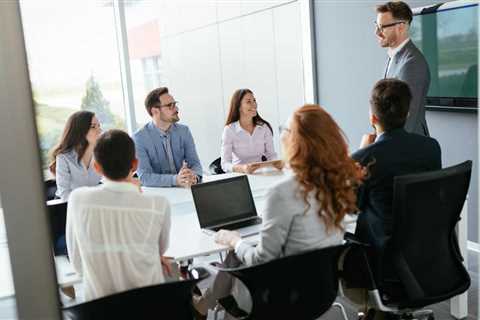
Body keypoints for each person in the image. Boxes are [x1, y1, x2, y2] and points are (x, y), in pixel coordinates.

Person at [193, 104, 363, 318]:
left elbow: (260, 259)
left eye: (285, 130)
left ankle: (203, 305)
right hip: (322, 294)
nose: (281, 135)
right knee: (239, 252)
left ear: (298, 142)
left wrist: (235, 240)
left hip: (281, 297)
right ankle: (205, 303)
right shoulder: (339, 184)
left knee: (233, 254)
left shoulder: (283, 192)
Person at [345, 79, 441, 319]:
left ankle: (375, 310)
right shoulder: (431, 147)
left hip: (381, 261)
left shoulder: (365, 156)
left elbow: (351, 207)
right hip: (426, 256)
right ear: (408, 113)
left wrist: (359, 154)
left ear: (373, 118)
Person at [66, 129, 172, 301]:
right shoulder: (158, 204)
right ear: (135, 164)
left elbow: (78, 265)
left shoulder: (78, 199)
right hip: (149, 309)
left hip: (99, 311)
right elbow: (160, 249)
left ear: (97, 167)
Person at [375, 1, 430, 136]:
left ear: (401, 27)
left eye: (382, 27)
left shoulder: (412, 63)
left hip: (409, 149)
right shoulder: (393, 56)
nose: (377, 32)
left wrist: (384, 149)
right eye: (376, 25)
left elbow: (407, 118)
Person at [133, 87, 202, 187]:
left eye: (175, 104)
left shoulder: (184, 131)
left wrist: (194, 176)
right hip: (158, 194)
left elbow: (195, 164)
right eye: (170, 106)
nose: (176, 109)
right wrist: (175, 180)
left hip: (184, 189)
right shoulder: (139, 138)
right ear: (155, 111)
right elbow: (144, 177)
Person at [221, 89, 279, 173]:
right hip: (239, 176)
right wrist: (243, 168)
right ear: (239, 107)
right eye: (248, 102)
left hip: (260, 173)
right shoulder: (229, 130)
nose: (254, 104)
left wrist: (275, 164)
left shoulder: (263, 127)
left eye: (254, 100)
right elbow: (225, 164)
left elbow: (271, 155)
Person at [49, 110, 102, 201]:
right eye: (93, 127)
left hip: (93, 205)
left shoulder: (101, 154)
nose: (99, 131)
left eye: (99, 126)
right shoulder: (64, 158)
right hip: (66, 207)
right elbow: (64, 194)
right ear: (80, 131)